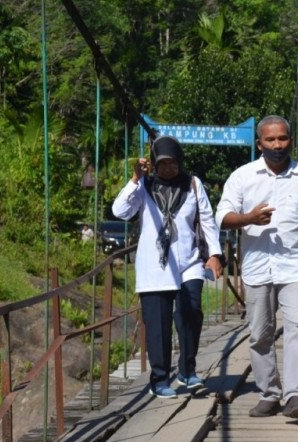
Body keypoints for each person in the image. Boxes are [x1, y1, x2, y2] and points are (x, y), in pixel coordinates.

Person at [215, 115, 298, 419]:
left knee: (297, 328)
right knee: (260, 333)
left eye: (282, 139)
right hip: (256, 266)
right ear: (259, 144)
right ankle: (269, 393)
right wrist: (248, 219)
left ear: (290, 141)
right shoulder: (242, 176)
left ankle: (296, 395)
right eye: (270, 140)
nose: (277, 145)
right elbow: (222, 217)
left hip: (295, 265)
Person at [112, 135, 224, 399]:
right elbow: (119, 211)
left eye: (173, 163)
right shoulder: (144, 187)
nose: (168, 168)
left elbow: (207, 220)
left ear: (180, 162)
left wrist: (215, 255)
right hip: (155, 266)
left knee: (191, 311)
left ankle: (187, 369)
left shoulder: (193, 185)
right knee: (158, 324)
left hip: (189, 261)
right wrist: (135, 180)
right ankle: (160, 379)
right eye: (162, 163)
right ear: (154, 164)